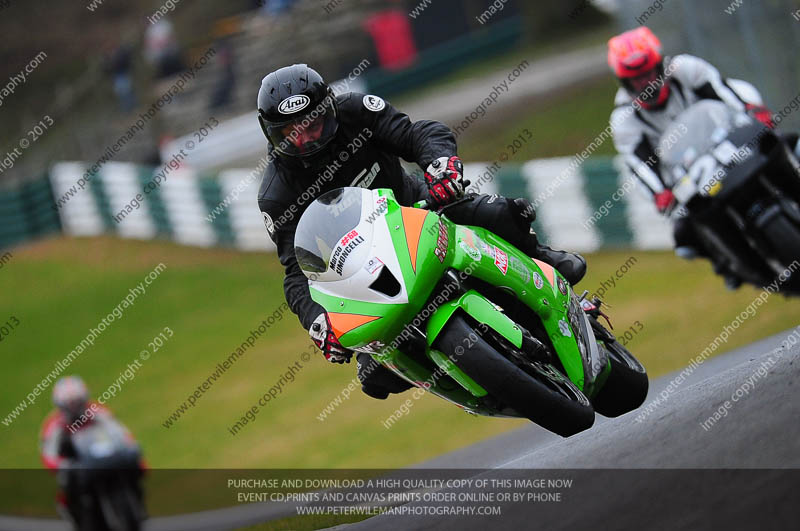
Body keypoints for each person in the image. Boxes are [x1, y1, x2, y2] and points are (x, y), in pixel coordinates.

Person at [257, 64, 587, 399]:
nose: (307, 138)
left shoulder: (357, 112)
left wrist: (439, 165)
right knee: (374, 375)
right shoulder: (276, 194)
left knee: (498, 213)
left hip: (416, 211)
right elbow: (297, 271)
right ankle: (464, 381)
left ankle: (544, 263)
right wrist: (317, 321)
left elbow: (416, 134)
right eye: (292, 133)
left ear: (330, 109)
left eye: (313, 124)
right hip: (361, 272)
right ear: (273, 134)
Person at [607, 26, 800, 287]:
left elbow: (725, 93)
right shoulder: (623, 118)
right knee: (684, 238)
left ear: (660, 66)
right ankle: (731, 264)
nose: (646, 84)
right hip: (689, 176)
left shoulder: (686, 69)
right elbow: (639, 165)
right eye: (637, 80)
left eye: (649, 74)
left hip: (730, 141)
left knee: (789, 145)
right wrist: (660, 193)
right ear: (624, 83)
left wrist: (753, 113)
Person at [40, 376, 144, 527]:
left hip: (105, 457)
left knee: (132, 463)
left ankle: (135, 502)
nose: (74, 408)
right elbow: (49, 454)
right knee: (68, 485)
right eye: (69, 404)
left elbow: (119, 432)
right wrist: (64, 465)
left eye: (77, 402)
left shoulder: (97, 410)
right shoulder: (54, 424)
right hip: (78, 466)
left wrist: (130, 446)